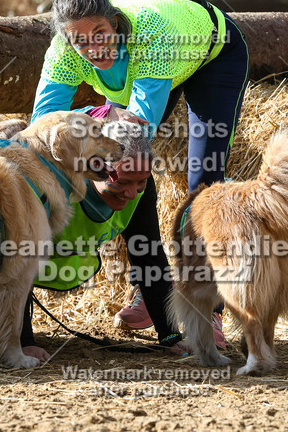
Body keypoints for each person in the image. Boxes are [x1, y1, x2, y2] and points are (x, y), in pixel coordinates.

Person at [32, 0, 249, 339]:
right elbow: (43, 124)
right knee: (121, 168)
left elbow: (136, 135)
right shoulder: (63, 50)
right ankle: (152, 291)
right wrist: (99, 116)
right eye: (80, 41)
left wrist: (98, 138)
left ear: (115, 23)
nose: (93, 47)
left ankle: (208, 308)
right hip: (152, 68)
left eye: (100, 33)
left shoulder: (151, 36)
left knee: (203, 181)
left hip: (211, 54)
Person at [19, 116, 194, 360]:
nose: (132, 193)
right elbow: (14, 259)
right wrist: (23, 342)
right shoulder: (51, 182)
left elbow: (148, 256)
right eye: (121, 182)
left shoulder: (139, 187)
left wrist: (170, 337)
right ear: (95, 167)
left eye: (141, 181)